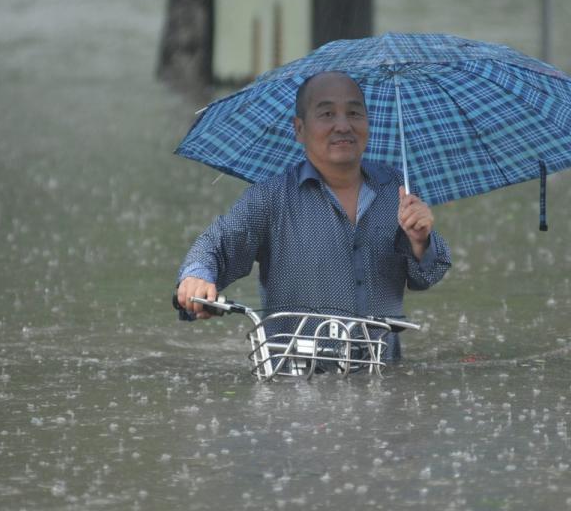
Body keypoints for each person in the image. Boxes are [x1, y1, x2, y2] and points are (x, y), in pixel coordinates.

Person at [174, 71, 451, 359]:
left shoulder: (396, 191)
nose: (343, 125)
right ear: (299, 129)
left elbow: (428, 274)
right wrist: (197, 277)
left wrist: (421, 241)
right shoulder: (271, 198)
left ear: (368, 123)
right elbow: (215, 245)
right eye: (327, 113)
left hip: (382, 372)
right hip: (293, 377)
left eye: (354, 113)